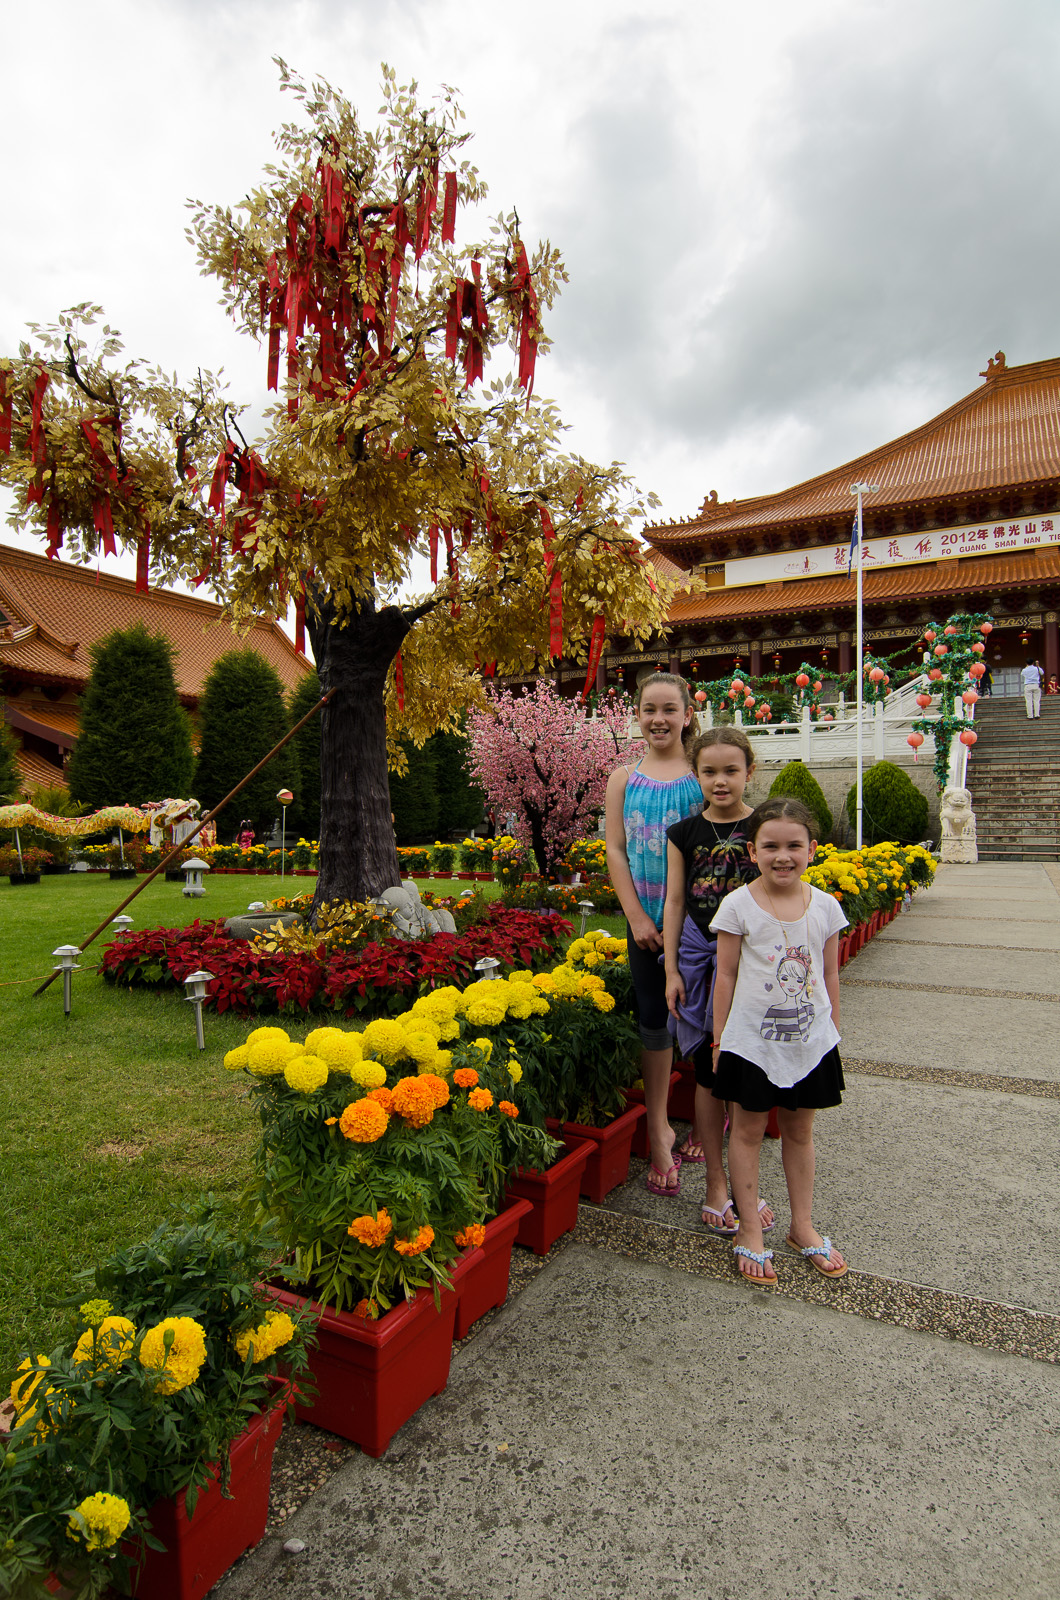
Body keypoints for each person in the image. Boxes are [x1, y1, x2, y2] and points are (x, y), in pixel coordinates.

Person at [709, 797, 849, 1288]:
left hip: (810, 1043)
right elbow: (724, 975)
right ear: (753, 849)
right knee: (745, 1131)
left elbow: (829, 972)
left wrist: (831, 1031)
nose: (782, 855)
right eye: (771, 846)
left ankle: (801, 1224)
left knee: (800, 1131)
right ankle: (749, 1227)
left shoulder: (827, 906)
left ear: (813, 849)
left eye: (794, 845)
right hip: (751, 1044)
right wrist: (719, 1038)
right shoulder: (738, 905)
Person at [663, 728, 775, 1239]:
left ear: (749, 771)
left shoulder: (764, 824)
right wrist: (671, 969)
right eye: (709, 771)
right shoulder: (683, 832)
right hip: (699, 961)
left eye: (731, 770)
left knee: (746, 1069)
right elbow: (674, 903)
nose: (721, 780)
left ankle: (746, 1185)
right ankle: (714, 1184)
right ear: (697, 775)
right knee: (707, 1073)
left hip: (753, 962)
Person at [605, 672, 703, 1196]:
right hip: (644, 921)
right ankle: (659, 1126)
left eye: (669, 709)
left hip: (700, 926)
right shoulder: (623, 778)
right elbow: (616, 851)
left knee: (707, 1017)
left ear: (687, 713)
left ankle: (713, 1119)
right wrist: (637, 918)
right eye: (649, 709)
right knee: (653, 1020)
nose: (659, 719)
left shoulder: (701, 773)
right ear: (637, 715)